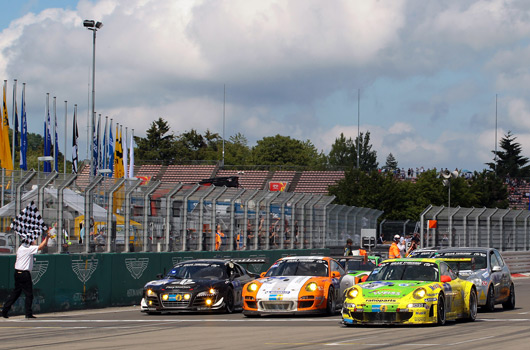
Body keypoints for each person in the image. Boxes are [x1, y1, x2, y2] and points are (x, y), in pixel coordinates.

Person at [2, 229, 51, 319]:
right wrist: (47, 237)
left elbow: (40, 246)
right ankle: (28, 313)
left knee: (16, 293)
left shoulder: (21, 247)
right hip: (24, 274)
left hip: (17, 273)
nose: (34, 240)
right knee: (29, 294)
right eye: (33, 239)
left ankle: (5, 310)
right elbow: (40, 247)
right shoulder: (28, 249)